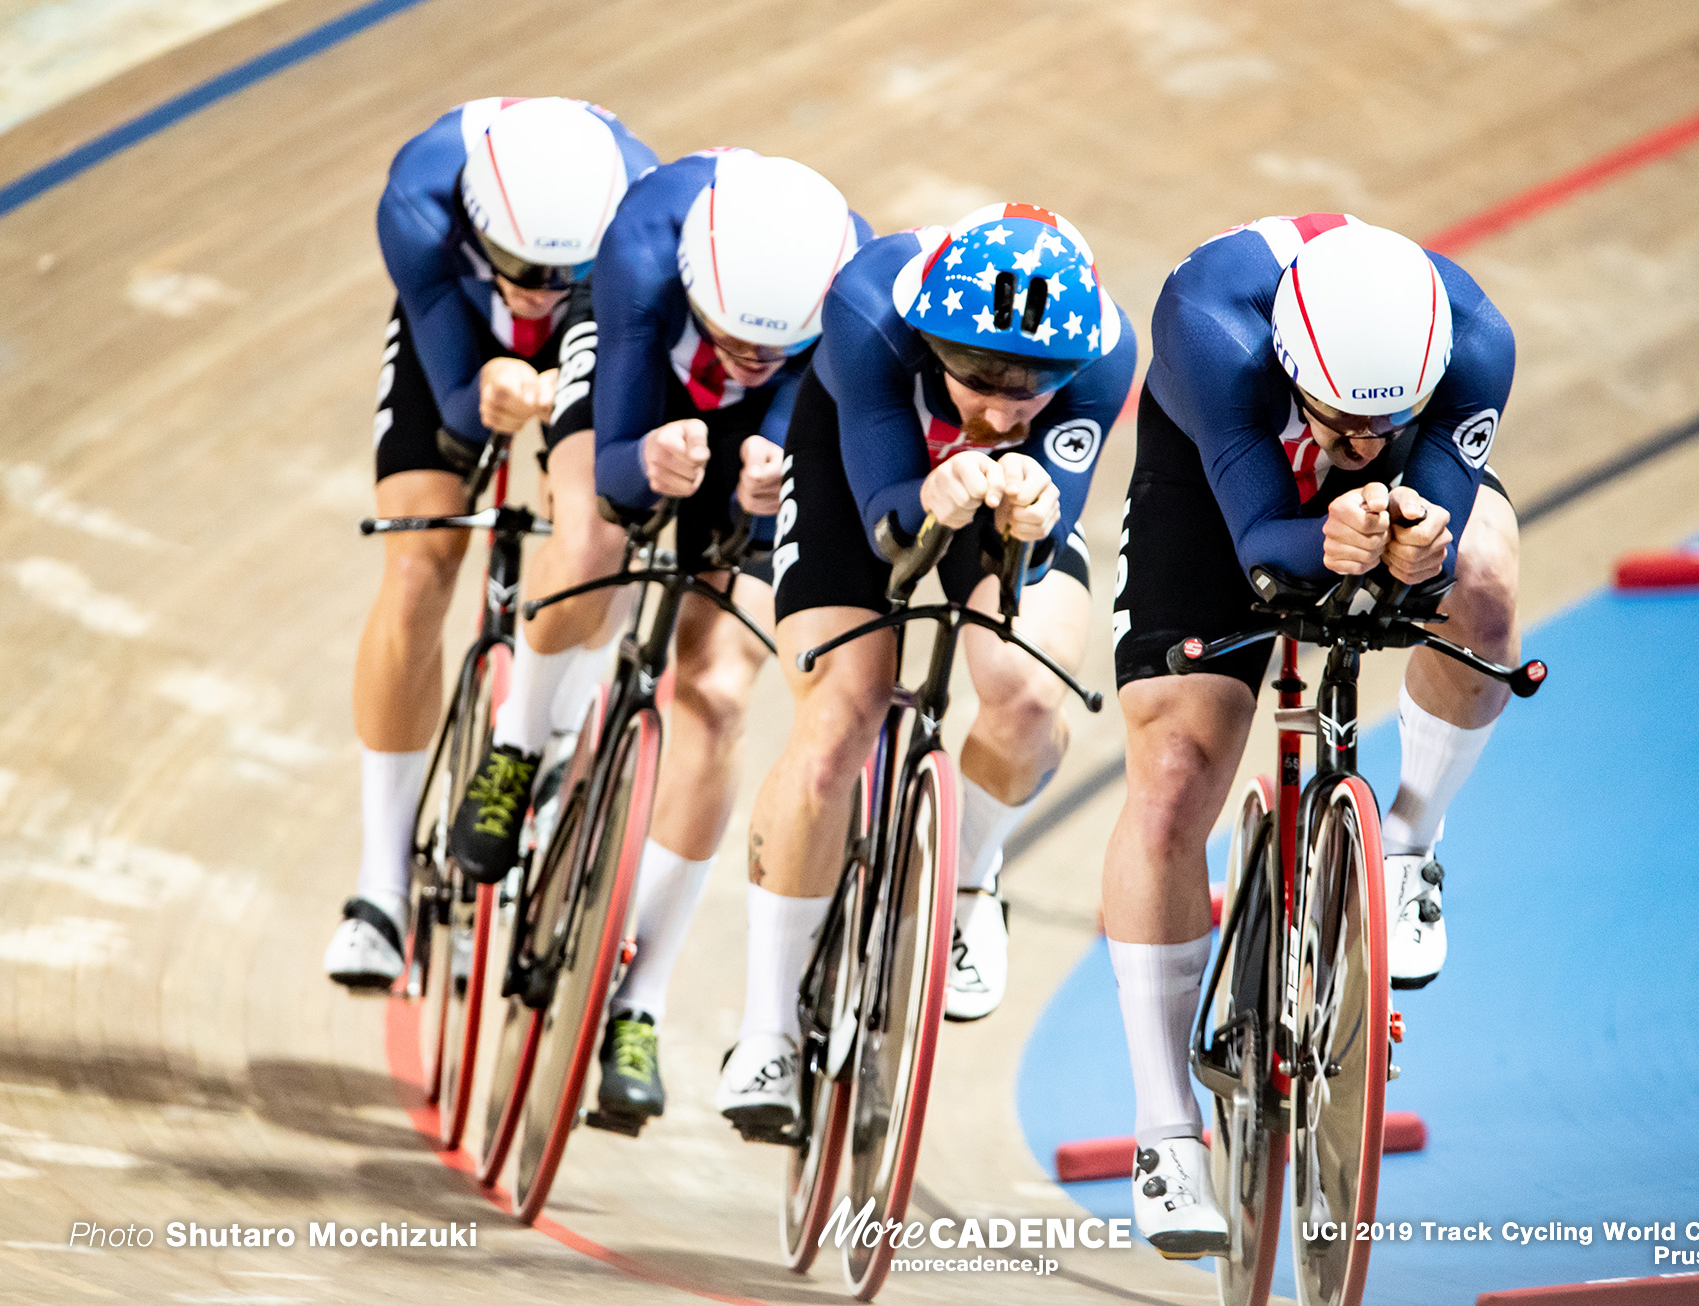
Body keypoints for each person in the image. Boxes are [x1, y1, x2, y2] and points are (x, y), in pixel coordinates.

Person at [1106, 213, 1518, 1255]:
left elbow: (1436, 505)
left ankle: (1410, 846)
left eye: (1391, 423)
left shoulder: (1476, 342)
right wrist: (1326, 525)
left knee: (1485, 583)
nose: (1367, 448)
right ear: (1294, 368)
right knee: (1174, 769)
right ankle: (1163, 1131)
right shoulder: (1212, 328)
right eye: (1345, 424)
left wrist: (1422, 537)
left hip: (1361, 478)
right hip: (1218, 484)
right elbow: (1260, 543)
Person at [446, 147, 870, 1134]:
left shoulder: (838, 306)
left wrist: (756, 481)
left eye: (773, 343)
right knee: (593, 536)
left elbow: (789, 437)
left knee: (720, 690)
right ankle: (516, 751)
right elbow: (614, 478)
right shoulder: (640, 253)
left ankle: (640, 1001)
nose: (751, 354)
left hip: (777, 426)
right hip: (642, 389)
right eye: (736, 337)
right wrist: (650, 460)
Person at [718, 203, 1137, 1138]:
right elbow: (885, 522)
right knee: (839, 719)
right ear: (929, 339)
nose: (999, 408)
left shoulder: (1106, 353)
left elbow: (1045, 536)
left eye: (1032, 389)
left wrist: (1029, 509)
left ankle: (971, 877)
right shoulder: (871, 309)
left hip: (994, 512)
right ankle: (766, 1029)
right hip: (853, 481)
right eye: (979, 377)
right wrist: (930, 493)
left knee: (1028, 696)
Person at [323, 97, 656, 992]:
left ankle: (548, 750)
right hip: (462, 324)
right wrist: (490, 394)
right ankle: (381, 885)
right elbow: (459, 393)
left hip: (610, 315)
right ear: (478, 225)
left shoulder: (639, 221)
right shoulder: (419, 203)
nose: (537, 294)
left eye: (558, 276)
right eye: (521, 270)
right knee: (421, 557)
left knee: (605, 532)